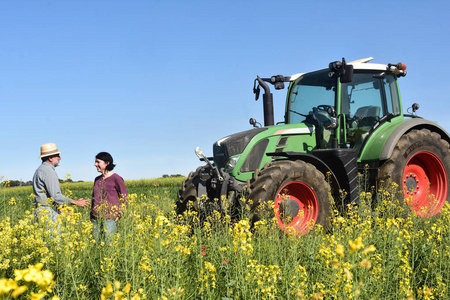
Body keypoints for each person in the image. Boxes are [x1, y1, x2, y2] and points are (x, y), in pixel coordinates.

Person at [33, 143, 90, 226]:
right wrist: (76, 202)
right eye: (58, 155)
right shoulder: (49, 172)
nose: (60, 158)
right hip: (48, 212)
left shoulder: (40, 170)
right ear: (50, 158)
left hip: (40, 211)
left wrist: (62, 209)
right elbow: (55, 196)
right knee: (52, 238)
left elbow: (49, 195)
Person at [90, 152, 128, 243]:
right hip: (95, 218)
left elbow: (124, 198)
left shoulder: (116, 178)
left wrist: (119, 215)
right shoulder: (97, 179)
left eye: (98, 162)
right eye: (95, 162)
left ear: (107, 163)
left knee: (109, 244)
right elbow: (94, 197)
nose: (95, 164)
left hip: (109, 218)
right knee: (95, 244)